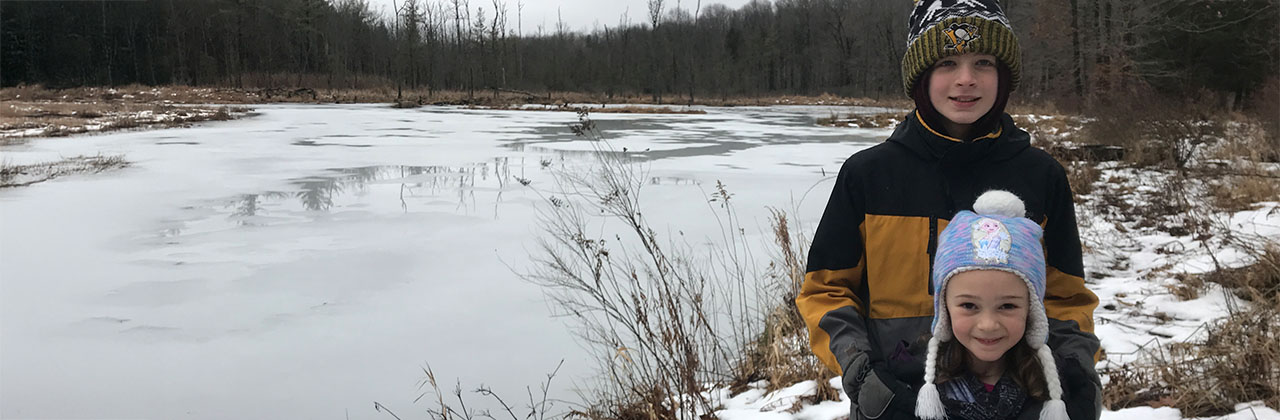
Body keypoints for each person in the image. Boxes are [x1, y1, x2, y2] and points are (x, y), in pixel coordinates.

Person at [794, 0, 1102, 419]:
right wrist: (861, 372)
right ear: (921, 76)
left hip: (1019, 403)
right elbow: (825, 291)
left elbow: (1066, 297)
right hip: (896, 402)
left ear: (1004, 74)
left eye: (983, 62)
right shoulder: (867, 175)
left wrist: (1075, 373)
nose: (966, 80)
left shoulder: (1041, 177)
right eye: (946, 63)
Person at [914, 190, 1069, 420]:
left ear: (1032, 309)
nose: (988, 325)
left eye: (1007, 306)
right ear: (944, 307)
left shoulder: (1058, 384)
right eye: (969, 305)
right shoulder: (908, 380)